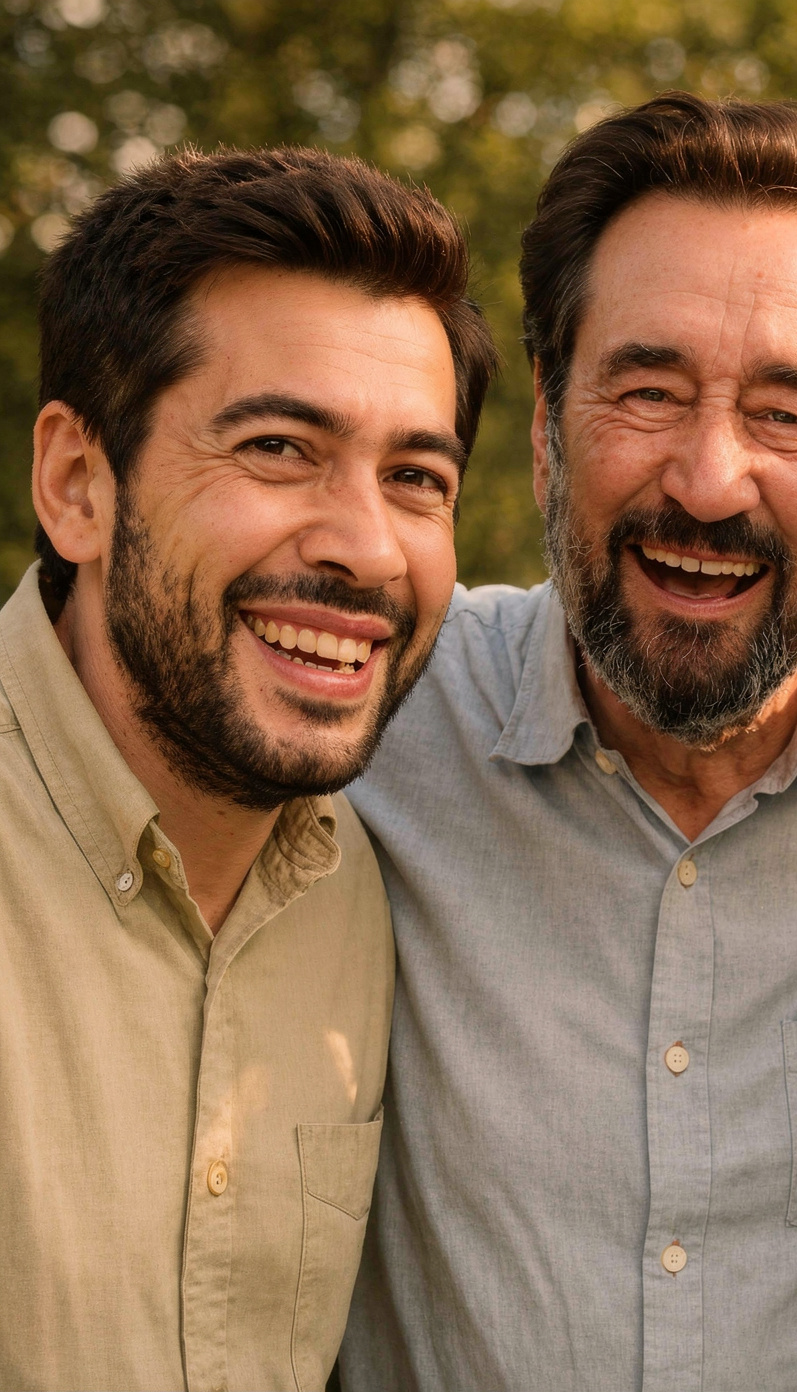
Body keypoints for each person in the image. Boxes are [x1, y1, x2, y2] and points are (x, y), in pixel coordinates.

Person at [335, 95, 797, 1390]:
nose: (710, 480)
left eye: (787, 412)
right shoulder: (375, 714)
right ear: (548, 435)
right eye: (648, 390)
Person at [1, 148, 494, 1390]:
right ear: (77, 487)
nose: (365, 547)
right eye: (278, 448)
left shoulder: (373, 907)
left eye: (416, 479)